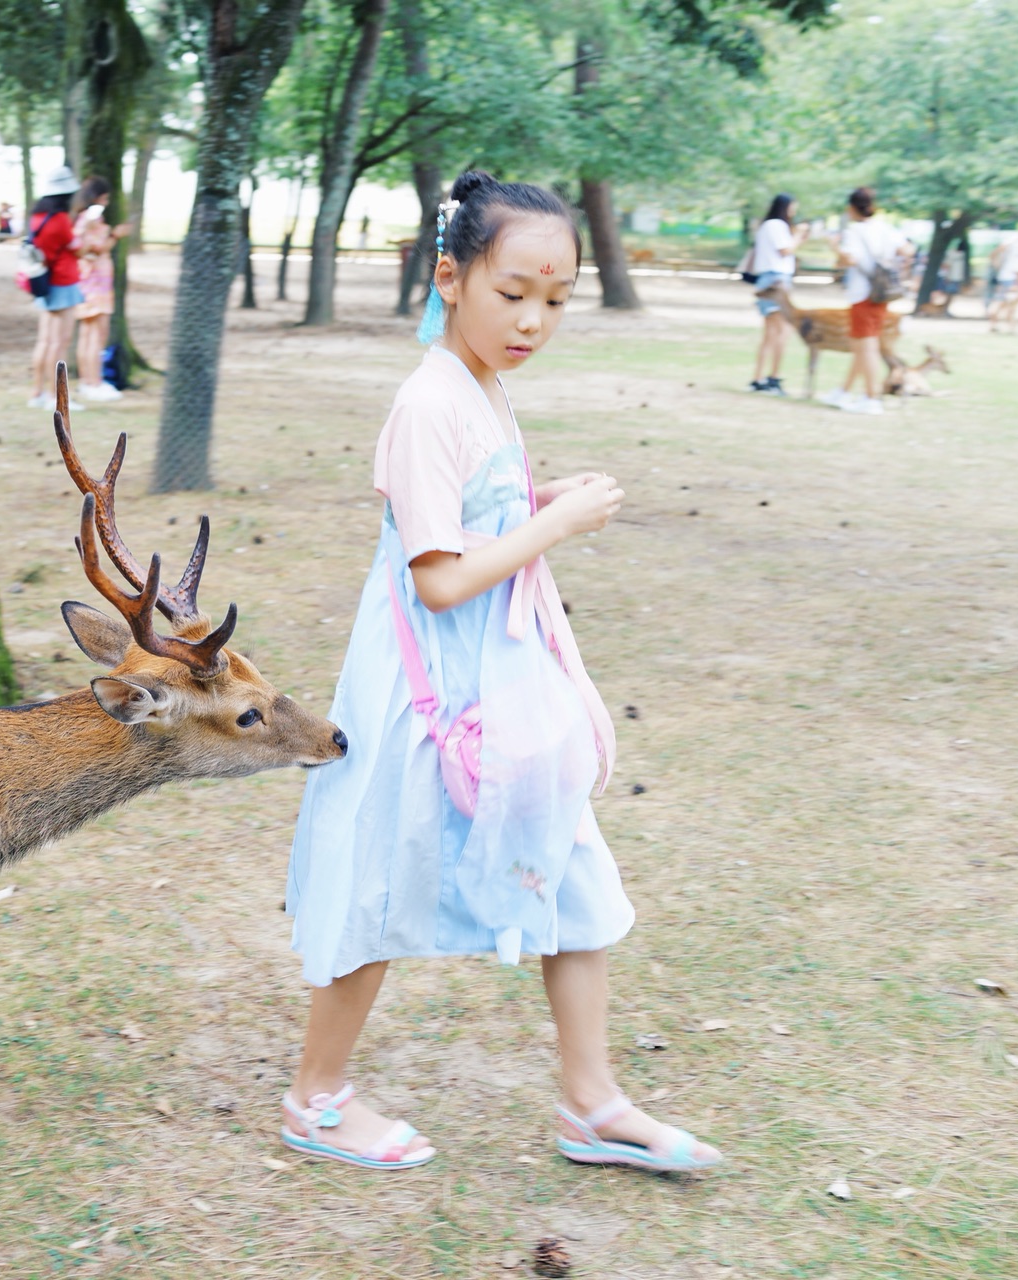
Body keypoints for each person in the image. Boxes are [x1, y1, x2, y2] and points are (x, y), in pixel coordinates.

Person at [279, 170, 720, 1176]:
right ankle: (315, 1097)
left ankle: (593, 1101)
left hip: (504, 687)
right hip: (429, 694)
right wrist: (552, 524)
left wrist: (538, 498)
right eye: (512, 291)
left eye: (557, 299)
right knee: (381, 883)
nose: (533, 319)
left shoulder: (480, 383)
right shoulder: (428, 400)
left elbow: (474, 516)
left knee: (569, 868)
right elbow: (436, 578)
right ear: (451, 275)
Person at [821, 187, 909, 415]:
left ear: (851, 208)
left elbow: (850, 259)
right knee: (862, 346)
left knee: (866, 346)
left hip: (863, 294)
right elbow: (906, 250)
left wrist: (834, 247)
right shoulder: (885, 228)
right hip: (882, 293)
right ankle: (844, 391)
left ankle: (871, 398)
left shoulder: (854, 231)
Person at [26, 167, 84, 410]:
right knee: (60, 343)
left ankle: (37, 392)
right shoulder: (60, 220)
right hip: (62, 282)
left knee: (45, 341)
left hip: (44, 281)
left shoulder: (37, 217)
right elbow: (77, 248)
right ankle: (54, 398)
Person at [71, 176, 132, 403]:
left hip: (89, 280)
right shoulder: (91, 220)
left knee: (89, 334)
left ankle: (89, 381)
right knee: (98, 333)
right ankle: (93, 382)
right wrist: (116, 235)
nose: (106, 202)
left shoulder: (82, 219)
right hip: (96, 282)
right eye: (104, 198)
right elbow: (94, 249)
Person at [748, 193, 806, 395]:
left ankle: (758, 378)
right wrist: (798, 235)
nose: (794, 211)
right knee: (782, 330)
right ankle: (773, 378)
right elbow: (785, 250)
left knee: (771, 332)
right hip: (777, 281)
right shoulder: (776, 225)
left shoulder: (768, 226)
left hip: (770, 279)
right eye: (793, 207)